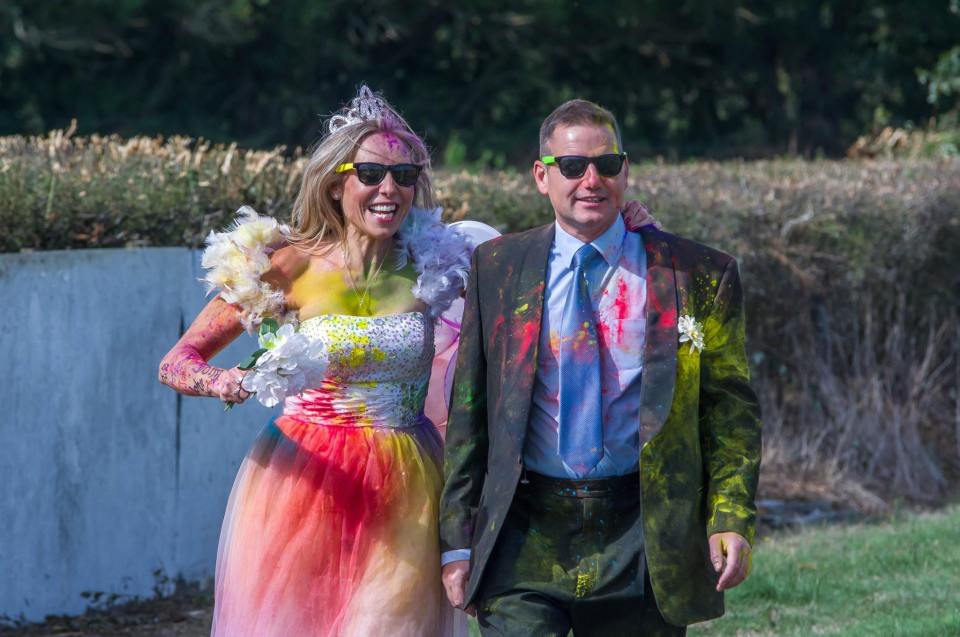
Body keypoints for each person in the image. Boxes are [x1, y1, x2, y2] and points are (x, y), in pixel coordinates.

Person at [439, 99, 762, 636]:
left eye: (607, 165)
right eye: (572, 166)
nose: (591, 179)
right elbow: (468, 416)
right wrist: (457, 539)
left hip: (641, 533)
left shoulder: (696, 275)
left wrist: (730, 517)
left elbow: (730, 412)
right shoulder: (497, 268)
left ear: (625, 171)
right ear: (542, 176)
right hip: (523, 531)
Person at [159, 86, 471, 637]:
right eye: (371, 173)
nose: (389, 189)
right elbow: (177, 362)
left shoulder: (436, 265)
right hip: (304, 483)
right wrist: (228, 381)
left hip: (410, 482)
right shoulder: (287, 266)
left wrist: (634, 225)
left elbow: (538, 263)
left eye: (404, 175)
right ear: (336, 182)